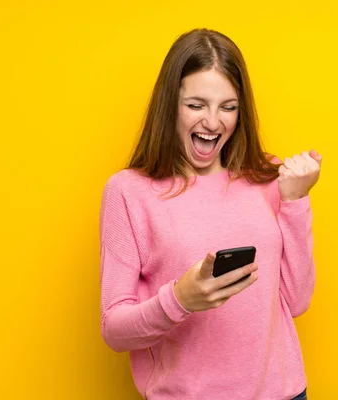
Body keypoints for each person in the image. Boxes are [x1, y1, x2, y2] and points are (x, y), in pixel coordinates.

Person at [99, 28, 322, 400]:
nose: (213, 122)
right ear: (170, 104)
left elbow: (296, 302)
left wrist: (296, 200)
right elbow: (114, 330)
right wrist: (180, 299)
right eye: (196, 105)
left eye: (228, 107)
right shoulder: (128, 191)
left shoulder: (268, 176)